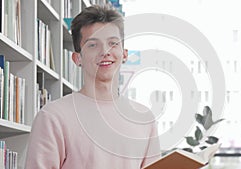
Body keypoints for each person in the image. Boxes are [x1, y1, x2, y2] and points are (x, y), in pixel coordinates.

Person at [25, 4, 161, 169]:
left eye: (113, 43)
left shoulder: (144, 120)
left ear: (124, 54)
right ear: (77, 58)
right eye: (92, 45)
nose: (105, 51)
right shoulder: (52, 117)